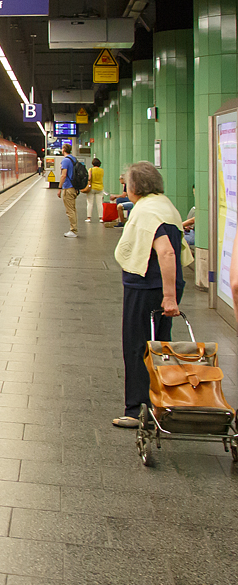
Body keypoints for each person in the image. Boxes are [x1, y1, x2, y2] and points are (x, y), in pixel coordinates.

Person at [111, 161, 193, 428]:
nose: (125, 188)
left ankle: (137, 410)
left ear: (135, 186)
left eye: (127, 183)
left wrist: (168, 297)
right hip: (159, 285)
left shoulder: (148, 212)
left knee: (138, 346)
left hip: (148, 287)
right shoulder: (164, 205)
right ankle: (159, 404)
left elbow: (167, 252)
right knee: (158, 345)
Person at [57, 144, 79, 237]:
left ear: (64, 150)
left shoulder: (65, 160)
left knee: (69, 210)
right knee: (73, 209)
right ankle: (74, 229)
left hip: (68, 188)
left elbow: (63, 175)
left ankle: (73, 230)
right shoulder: (73, 159)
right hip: (74, 187)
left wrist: (59, 188)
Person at [84, 157, 105, 222]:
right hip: (100, 188)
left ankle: (89, 218)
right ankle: (101, 218)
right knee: (99, 203)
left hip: (92, 188)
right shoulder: (102, 170)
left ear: (93, 164)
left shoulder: (91, 169)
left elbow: (89, 178)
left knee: (90, 203)